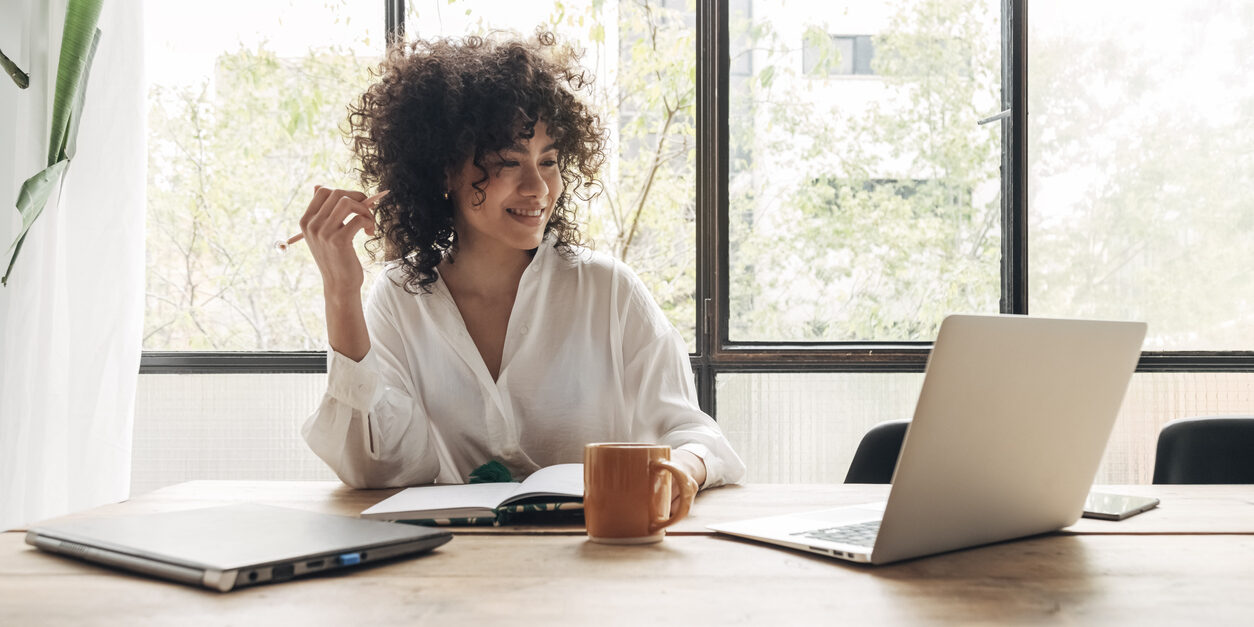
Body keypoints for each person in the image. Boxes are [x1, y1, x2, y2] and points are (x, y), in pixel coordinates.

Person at [299, 31, 745, 508]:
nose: (538, 188)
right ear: (444, 171)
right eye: (508, 162)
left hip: (596, 562)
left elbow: (696, 436)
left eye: (548, 161)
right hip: (454, 564)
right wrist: (341, 294)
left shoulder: (607, 290)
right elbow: (376, 469)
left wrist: (681, 468)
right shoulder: (399, 297)